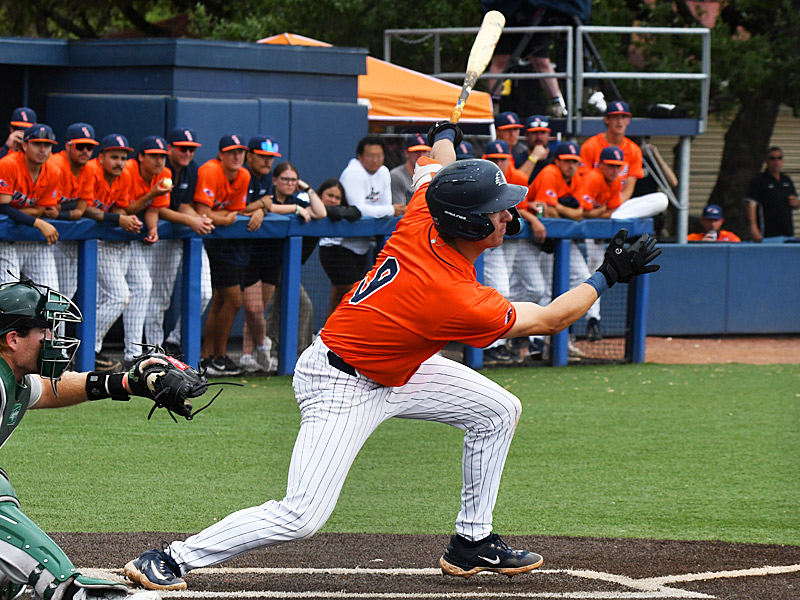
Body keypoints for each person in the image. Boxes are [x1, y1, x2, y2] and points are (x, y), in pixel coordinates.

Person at [123, 121, 659, 591]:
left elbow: (436, 164)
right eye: (497, 212)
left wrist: (445, 135)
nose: (508, 215)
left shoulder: (426, 209)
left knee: (497, 410)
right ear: (470, 225)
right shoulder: (454, 296)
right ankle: (172, 557)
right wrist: (607, 274)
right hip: (342, 384)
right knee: (303, 514)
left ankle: (471, 542)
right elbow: (551, 319)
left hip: (397, 367)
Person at [0, 279, 166, 600]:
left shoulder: (14, 379)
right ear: (13, 339)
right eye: (43, 331)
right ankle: (70, 589)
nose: (52, 338)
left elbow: (50, 389)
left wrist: (126, 383)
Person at [516, 141, 596, 357]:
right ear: (557, 161)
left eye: (574, 162)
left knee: (549, 289)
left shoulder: (576, 178)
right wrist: (563, 211)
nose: (571, 165)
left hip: (551, 242)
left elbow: (578, 214)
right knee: (533, 289)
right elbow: (547, 212)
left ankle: (544, 344)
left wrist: (559, 209)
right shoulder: (550, 172)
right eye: (567, 161)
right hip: (529, 240)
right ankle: (521, 341)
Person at [81, 134, 142, 372]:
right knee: (61, 298)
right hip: (64, 241)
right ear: (101, 157)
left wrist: (126, 217)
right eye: (114, 156)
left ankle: (88, 350)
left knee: (110, 297)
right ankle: (81, 349)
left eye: (123, 157)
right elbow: (84, 208)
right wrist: (120, 218)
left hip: (96, 242)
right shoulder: (91, 171)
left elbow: (119, 204)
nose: (119, 162)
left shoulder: (123, 176)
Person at [193, 134, 253, 377]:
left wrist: (232, 216)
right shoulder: (210, 170)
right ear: (221, 154)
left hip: (226, 243)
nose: (237, 156)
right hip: (202, 240)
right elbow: (204, 214)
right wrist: (225, 218)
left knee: (219, 299)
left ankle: (209, 356)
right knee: (232, 299)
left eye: (240, 152)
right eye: (231, 152)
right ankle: (216, 355)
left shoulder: (244, 175)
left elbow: (235, 210)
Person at [326, 136, 402, 316]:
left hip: (362, 246)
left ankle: (329, 334)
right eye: (370, 155)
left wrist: (387, 209)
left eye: (379, 155)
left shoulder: (383, 172)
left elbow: (384, 206)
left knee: (344, 294)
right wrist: (389, 210)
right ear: (360, 156)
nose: (375, 160)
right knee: (348, 294)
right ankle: (329, 335)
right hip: (337, 244)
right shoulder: (353, 173)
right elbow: (359, 210)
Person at [261, 162, 326, 366]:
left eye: (293, 180)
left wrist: (306, 188)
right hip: (262, 262)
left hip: (284, 266)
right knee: (269, 309)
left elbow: (321, 212)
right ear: (275, 180)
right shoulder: (267, 195)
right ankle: (276, 353)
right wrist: (297, 208)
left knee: (285, 306)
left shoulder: (297, 197)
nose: (289, 184)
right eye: (285, 179)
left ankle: (296, 354)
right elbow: (268, 207)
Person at [159, 127, 214, 358]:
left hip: (182, 235)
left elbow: (182, 202)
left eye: (191, 149)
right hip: (157, 237)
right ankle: (152, 350)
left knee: (203, 292)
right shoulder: (162, 167)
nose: (187, 153)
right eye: (183, 148)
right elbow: (160, 208)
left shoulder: (191, 168)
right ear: (170, 147)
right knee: (157, 298)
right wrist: (191, 220)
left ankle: (175, 341)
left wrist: (196, 218)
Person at [119, 136, 173, 368]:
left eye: (162, 156)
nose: (159, 161)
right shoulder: (128, 170)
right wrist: (152, 193)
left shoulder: (164, 174)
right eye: (153, 155)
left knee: (141, 288)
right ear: (141, 157)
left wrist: (152, 228)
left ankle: (133, 354)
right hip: (103, 238)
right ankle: (90, 351)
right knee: (111, 298)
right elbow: (126, 208)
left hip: (130, 240)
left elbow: (153, 209)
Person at [0, 124, 60, 292]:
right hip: (5, 242)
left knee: (51, 297)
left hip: (33, 240)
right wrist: (39, 223)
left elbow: (43, 210)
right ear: (24, 145)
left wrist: (28, 215)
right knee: (8, 298)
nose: (42, 149)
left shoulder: (53, 171)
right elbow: (3, 208)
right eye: (37, 144)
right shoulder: (8, 164)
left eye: (47, 145)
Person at [482, 2, 570, 117]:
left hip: (536, 13)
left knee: (541, 61)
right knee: (501, 59)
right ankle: (493, 106)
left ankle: (557, 104)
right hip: (506, 13)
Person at [238, 135, 281, 373]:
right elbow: (236, 208)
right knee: (253, 309)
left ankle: (247, 354)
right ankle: (262, 346)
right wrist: (262, 205)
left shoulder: (267, 179)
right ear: (250, 155)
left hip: (267, 251)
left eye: (271, 158)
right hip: (242, 249)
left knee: (259, 309)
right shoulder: (243, 174)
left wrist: (263, 207)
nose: (267, 162)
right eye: (263, 157)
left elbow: (270, 203)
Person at [45, 123, 97, 301]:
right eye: (80, 146)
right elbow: (47, 209)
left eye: (89, 147)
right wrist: (71, 208)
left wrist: (61, 211)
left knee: (63, 297)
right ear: (68, 146)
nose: (85, 151)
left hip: (65, 236)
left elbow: (81, 210)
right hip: (43, 235)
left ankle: (58, 331)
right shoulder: (55, 165)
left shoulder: (88, 169)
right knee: (47, 294)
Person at [745, 147, 798, 241]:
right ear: (766, 161)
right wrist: (753, 227)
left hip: (787, 232)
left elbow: (795, 203)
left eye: (779, 158)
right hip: (768, 234)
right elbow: (751, 205)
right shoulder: (759, 181)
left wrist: (796, 203)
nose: (776, 161)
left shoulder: (787, 180)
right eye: (772, 158)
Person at [390, 133, 431, 204]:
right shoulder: (396, 175)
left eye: (424, 151)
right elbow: (400, 209)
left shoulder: (433, 175)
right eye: (416, 151)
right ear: (406, 153)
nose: (421, 155)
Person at [514, 114, 553, 184]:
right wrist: (533, 157)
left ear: (549, 135)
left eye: (543, 132)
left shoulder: (556, 159)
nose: (539, 137)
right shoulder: (517, 160)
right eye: (534, 133)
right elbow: (516, 185)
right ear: (526, 135)